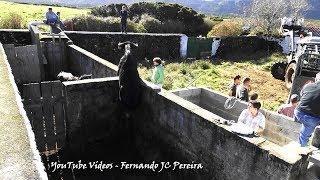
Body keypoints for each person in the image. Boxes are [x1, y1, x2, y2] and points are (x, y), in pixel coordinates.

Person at [294, 73, 320, 147]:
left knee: (306, 128)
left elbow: (302, 95)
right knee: (304, 136)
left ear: (316, 79)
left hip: (298, 112)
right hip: (311, 118)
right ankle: (301, 150)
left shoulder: (308, 85)